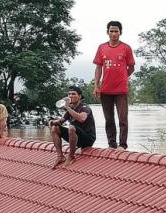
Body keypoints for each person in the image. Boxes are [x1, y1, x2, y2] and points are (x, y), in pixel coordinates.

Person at [92, 21, 135, 150]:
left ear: (120, 32)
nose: (114, 33)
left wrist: (123, 77)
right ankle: (111, 144)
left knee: (123, 119)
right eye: (111, 31)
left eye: (116, 31)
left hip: (121, 90)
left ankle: (122, 145)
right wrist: (96, 85)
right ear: (107, 32)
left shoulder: (126, 48)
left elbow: (132, 67)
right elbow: (98, 67)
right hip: (105, 89)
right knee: (109, 119)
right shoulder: (102, 48)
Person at [49, 86, 96, 167]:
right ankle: (60, 156)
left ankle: (71, 156)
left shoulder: (85, 108)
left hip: (87, 139)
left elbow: (81, 118)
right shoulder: (70, 110)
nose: (70, 96)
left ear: (80, 96)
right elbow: (61, 121)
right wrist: (54, 122)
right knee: (55, 128)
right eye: (69, 94)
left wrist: (67, 107)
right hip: (75, 136)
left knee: (71, 127)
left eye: (73, 94)